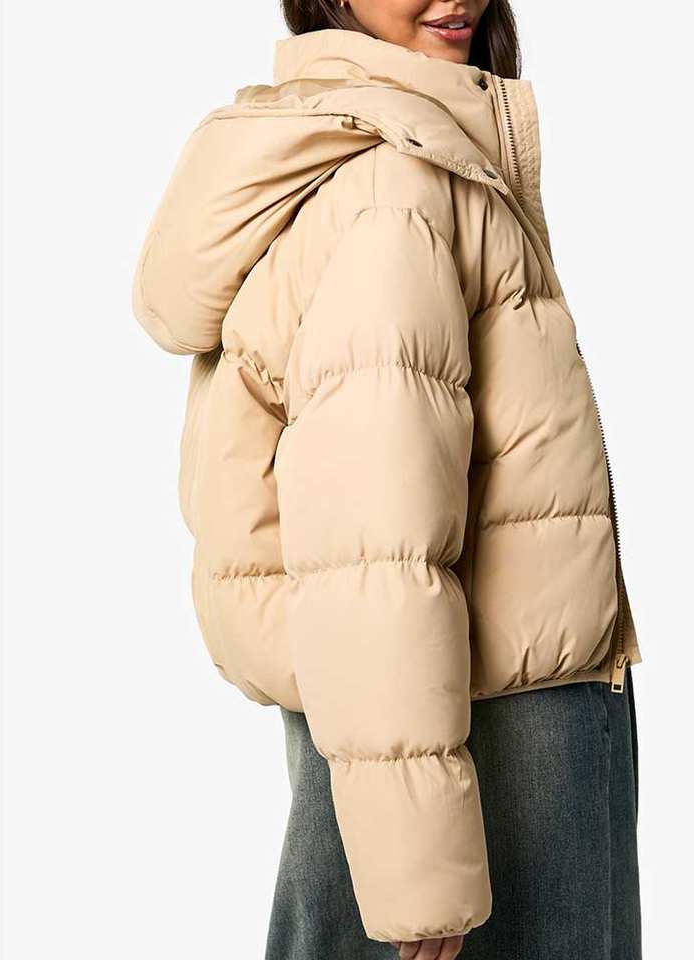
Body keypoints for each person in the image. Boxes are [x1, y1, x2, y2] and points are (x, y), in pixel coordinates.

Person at [132, 2, 643, 957]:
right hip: (480, 731)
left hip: (427, 712)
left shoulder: (396, 150)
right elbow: (373, 541)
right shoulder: (396, 183)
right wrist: (418, 873)